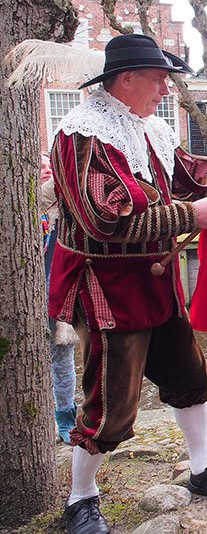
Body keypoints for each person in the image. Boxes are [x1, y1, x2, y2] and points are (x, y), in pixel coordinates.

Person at [48, 34, 207, 534]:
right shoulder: (82, 135)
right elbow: (103, 222)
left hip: (157, 280)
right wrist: (190, 215)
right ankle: (81, 498)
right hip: (107, 287)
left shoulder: (150, 128)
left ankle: (201, 470)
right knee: (110, 404)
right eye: (158, 80)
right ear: (126, 79)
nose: (165, 89)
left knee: (190, 376)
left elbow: (189, 184)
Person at [41, 153, 78, 444]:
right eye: (38, 167)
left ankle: (66, 416)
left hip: (57, 296)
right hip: (30, 296)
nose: (43, 171)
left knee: (62, 358)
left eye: (47, 167)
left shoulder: (63, 210)